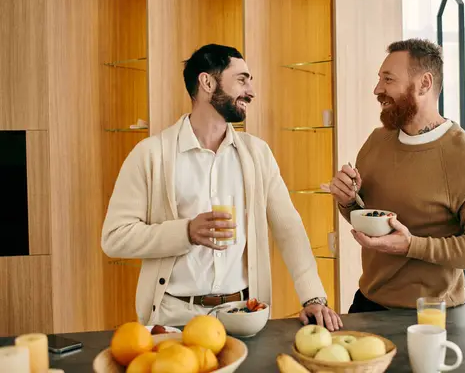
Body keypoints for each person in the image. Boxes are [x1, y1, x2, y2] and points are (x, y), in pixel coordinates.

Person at [102, 44, 342, 331]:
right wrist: (186, 232)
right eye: (242, 79)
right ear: (207, 82)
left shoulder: (258, 154)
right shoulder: (151, 154)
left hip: (242, 316)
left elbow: (289, 228)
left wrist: (313, 297)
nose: (251, 91)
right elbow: (115, 238)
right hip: (173, 320)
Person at [329, 38, 465, 313]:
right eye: (380, 79)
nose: (378, 89)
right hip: (367, 304)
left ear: (424, 84)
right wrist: (348, 201)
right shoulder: (377, 141)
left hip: (433, 316)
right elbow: (370, 219)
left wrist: (412, 246)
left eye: (388, 79)